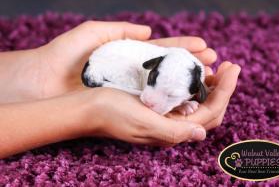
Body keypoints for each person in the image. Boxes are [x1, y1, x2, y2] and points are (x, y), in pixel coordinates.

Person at [0, 21, 241, 159]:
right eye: (153, 82)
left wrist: (36, 69)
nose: (150, 100)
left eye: (172, 96)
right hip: (105, 68)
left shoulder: (182, 75)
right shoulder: (158, 63)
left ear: (196, 91)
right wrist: (88, 112)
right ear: (153, 68)